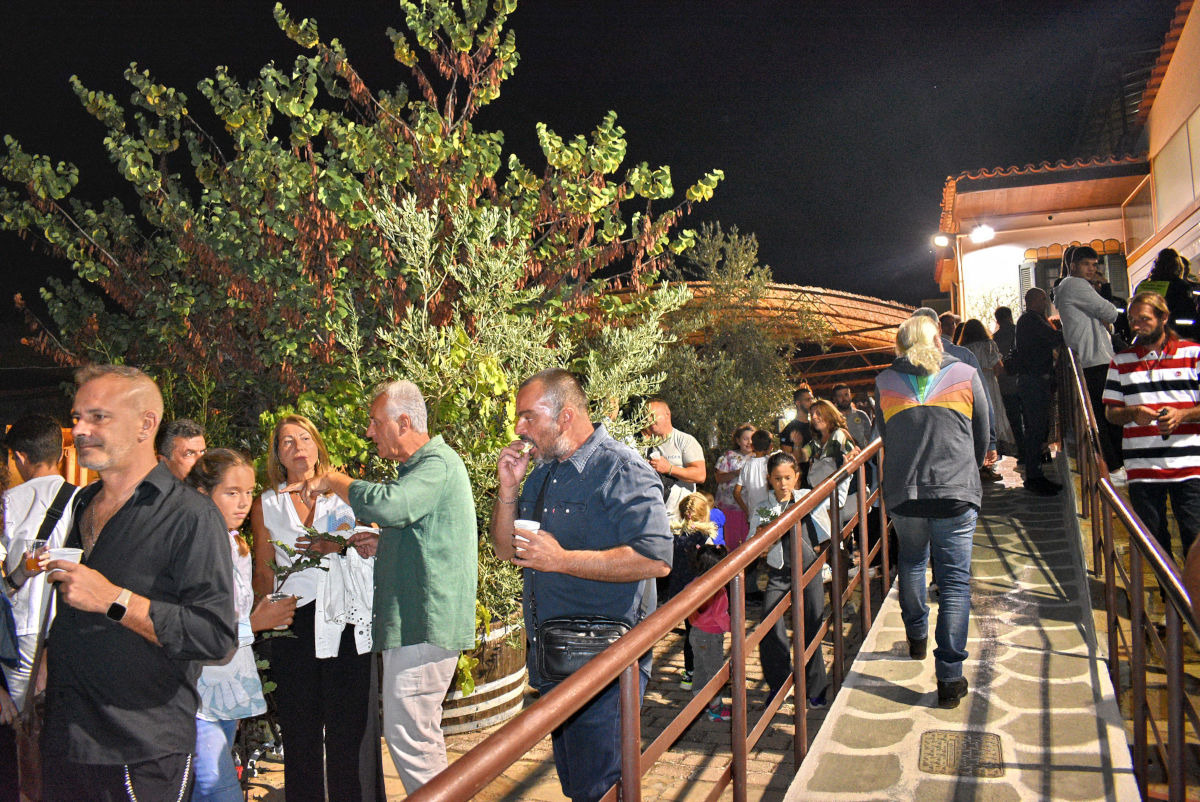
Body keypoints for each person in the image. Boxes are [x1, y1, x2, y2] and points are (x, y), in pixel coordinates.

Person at [42, 365, 236, 800]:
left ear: (146, 425)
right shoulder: (84, 502)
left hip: (141, 748)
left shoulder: (191, 515)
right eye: (77, 418)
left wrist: (114, 600)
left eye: (98, 417)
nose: (81, 430)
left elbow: (214, 636)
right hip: (66, 738)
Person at [491, 368, 671, 802]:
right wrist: (508, 489)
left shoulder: (621, 468)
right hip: (555, 659)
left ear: (565, 416)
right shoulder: (542, 473)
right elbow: (504, 550)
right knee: (579, 786)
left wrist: (562, 560)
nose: (519, 429)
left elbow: (656, 558)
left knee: (601, 787)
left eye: (528, 417)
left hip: (607, 661)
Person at [291, 381, 477, 793]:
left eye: (376, 422)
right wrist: (385, 544)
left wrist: (332, 479)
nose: (369, 432)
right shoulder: (425, 469)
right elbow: (425, 535)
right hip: (415, 625)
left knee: (411, 737)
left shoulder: (436, 464)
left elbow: (389, 505)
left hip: (422, 626)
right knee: (414, 735)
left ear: (404, 422)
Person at [250, 414, 384, 802]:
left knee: (349, 728)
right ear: (277, 454)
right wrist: (262, 623)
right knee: (300, 729)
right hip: (293, 622)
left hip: (344, 619)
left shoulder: (342, 491)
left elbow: (374, 541)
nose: (297, 447)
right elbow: (263, 570)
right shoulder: (266, 503)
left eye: (304, 438)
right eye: (287, 441)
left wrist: (337, 546)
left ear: (317, 445)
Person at [874, 316, 988, 709]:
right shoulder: (965, 374)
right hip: (955, 490)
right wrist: (967, 471)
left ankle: (916, 637)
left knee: (911, 561)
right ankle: (950, 677)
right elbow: (982, 431)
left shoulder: (885, 381)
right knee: (954, 584)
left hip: (905, 492)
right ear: (937, 340)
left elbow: (886, 435)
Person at [185, 450, 295, 802]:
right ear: (203, 493)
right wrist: (256, 623)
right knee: (215, 784)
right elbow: (193, 629)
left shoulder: (235, 544)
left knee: (207, 784)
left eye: (248, 492)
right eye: (232, 492)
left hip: (229, 680)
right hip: (198, 685)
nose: (244, 502)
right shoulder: (194, 547)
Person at [1103, 292, 1200, 565]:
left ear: (1163, 317)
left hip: (1189, 466)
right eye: (1133, 320)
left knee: (1195, 540)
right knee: (1153, 543)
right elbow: (1111, 414)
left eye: (1144, 319)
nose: (1137, 326)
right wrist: (1133, 413)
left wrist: (1183, 415)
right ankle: (1166, 591)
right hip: (1142, 468)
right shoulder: (1120, 361)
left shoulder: (1193, 354)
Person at [0, 415, 77, 710]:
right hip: (70, 626)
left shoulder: (8, 502)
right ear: (59, 454)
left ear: (20, 457)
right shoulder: (83, 499)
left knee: (25, 718)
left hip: (24, 626)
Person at [756, 451, 830, 709]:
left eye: (788, 477)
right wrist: (761, 535)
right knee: (769, 621)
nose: (783, 483)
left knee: (812, 623)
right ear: (769, 479)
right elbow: (755, 536)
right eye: (777, 478)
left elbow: (828, 520)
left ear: (797, 477)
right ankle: (779, 683)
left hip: (809, 571)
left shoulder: (808, 498)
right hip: (779, 572)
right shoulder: (764, 506)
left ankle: (816, 687)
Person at [1054, 245, 1124, 474]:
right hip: (1095, 360)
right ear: (1073, 265)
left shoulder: (1068, 287)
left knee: (1102, 417)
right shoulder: (1075, 284)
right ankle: (1115, 466)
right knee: (1108, 417)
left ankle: (1113, 466)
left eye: (1094, 265)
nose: (1092, 269)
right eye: (1086, 264)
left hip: (1091, 360)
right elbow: (1110, 313)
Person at [665, 493, 719, 691]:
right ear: (705, 515)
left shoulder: (675, 536)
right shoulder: (705, 538)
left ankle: (689, 672)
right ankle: (704, 672)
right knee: (703, 633)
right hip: (701, 593)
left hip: (681, 591)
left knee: (690, 632)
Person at [1015, 288, 1065, 495]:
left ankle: (1035, 474)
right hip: (1034, 381)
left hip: (1034, 380)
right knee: (1035, 428)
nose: (1045, 302)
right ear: (1033, 301)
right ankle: (1034, 476)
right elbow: (1052, 338)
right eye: (1043, 299)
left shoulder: (1030, 320)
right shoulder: (1030, 320)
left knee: (1037, 427)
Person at [958, 319, 1017, 458]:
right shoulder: (989, 345)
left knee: (977, 416)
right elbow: (998, 367)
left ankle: (980, 451)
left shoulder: (964, 349)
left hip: (971, 384)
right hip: (989, 382)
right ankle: (995, 449)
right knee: (994, 413)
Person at [687, 538, 731, 722]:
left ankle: (699, 700)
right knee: (714, 671)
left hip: (695, 633)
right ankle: (715, 707)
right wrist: (732, 627)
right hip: (712, 636)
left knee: (699, 667)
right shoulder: (718, 590)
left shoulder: (694, 583)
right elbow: (721, 615)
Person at [643, 398, 706, 522]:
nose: (649, 420)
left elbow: (700, 475)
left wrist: (669, 469)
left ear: (667, 414)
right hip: (654, 517)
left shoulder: (684, 441)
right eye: (646, 417)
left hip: (680, 519)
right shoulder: (643, 445)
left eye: (652, 415)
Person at [1134, 248, 1200, 339]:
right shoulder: (1180, 286)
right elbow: (1188, 314)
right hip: (1174, 334)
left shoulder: (1142, 285)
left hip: (1145, 334)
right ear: (1177, 266)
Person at [713, 424, 755, 551]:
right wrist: (736, 473)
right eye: (745, 439)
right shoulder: (729, 456)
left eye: (752, 438)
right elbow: (718, 478)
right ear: (738, 440)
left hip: (750, 507)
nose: (749, 442)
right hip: (729, 507)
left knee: (749, 542)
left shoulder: (759, 458)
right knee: (731, 541)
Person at [993, 306, 1025, 461]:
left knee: (1014, 420)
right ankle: (1034, 450)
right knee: (1029, 418)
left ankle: (1021, 450)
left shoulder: (994, 339)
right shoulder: (1020, 332)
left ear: (997, 320)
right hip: (1023, 380)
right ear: (1010, 316)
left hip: (1005, 385)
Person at [832, 383, 873, 447]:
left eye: (846, 395)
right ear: (835, 399)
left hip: (862, 452)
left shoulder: (862, 415)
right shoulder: (831, 418)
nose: (844, 398)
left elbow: (871, 438)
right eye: (840, 396)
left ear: (850, 395)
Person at [780, 384, 815, 458]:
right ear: (798, 403)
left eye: (812, 399)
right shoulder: (788, 430)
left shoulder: (815, 425)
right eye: (808, 400)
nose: (812, 402)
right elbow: (788, 458)